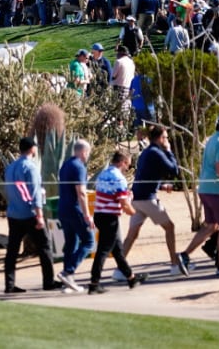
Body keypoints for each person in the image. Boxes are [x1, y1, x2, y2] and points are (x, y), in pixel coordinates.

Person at [178, 114, 219, 275]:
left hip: (205, 188)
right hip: (217, 189)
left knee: (212, 225)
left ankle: (185, 255)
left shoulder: (213, 139)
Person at [123, 125, 187, 276]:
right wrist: (169, 150)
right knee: (169, 227)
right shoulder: (157, 152)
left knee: (132, 234)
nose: (167, 140)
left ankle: (120, 269)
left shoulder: (147, 152)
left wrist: (161, 185)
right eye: (165, 137)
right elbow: (174, 170)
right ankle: (174, 265)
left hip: (137, 198)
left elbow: (147, 174)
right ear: (159, 138)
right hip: (147, 200)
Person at [2, 137, 57, 293]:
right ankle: (48, 281)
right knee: (44, 247)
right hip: (29, 213)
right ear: (32, 149)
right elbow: (34, 193)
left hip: (14, 213)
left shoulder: (11, 168)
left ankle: (9, 284)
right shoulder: (30, 168)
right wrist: (39, 215)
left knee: (12, 250)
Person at [89, 152, 148, 294]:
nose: (128, 167)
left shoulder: (103, 174)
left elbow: (110, 195)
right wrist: (134, 211)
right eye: (128, 164)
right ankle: (94, 283)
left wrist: (127, 198)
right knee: (103, 250)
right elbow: (124, 203)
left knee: (117, 249)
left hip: (99, 214)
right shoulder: (119, 178)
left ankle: (131, 278)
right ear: (122, 162)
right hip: (110, 217)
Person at [57, 139, 94, 293]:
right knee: (89, 241)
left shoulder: (65, 165)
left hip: (63, 209)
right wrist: (87, 215)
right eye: (87, 153)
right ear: (83, 152)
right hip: (75, 209)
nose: (88, 156)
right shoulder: (79, 167)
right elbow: (81, 193)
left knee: (71, 243)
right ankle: (68, 271)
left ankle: (68, 279)